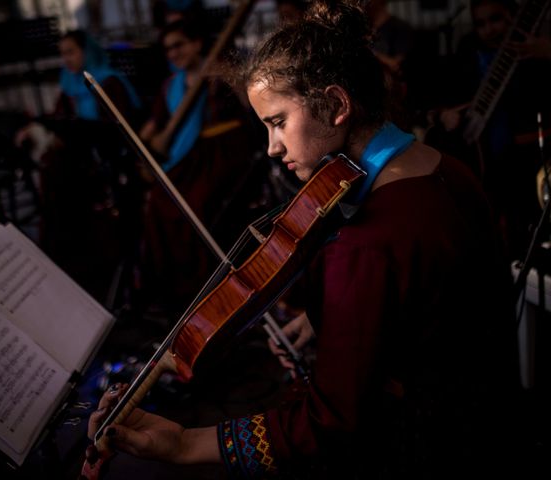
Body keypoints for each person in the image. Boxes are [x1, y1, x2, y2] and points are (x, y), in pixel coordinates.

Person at [85, 1, 524, 478]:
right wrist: (337, 319)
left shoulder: (366, 245)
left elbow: (330, 424)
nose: (272, 148)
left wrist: (184, 443)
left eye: (277, 122)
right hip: (492, 425)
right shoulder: (448, 169)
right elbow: (431, 297)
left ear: (336, 105)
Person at [135, 18, 260, 318]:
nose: (173, 53)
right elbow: (156, 123)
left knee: (199, 203)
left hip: (226, 153)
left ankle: (211, 288)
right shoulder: (171, 85)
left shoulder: (222, 69)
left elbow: (252, 105)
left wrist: (230, 76)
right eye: (168, 49)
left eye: (179, 45)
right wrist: (139, 144)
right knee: (158, 202)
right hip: (190, 157)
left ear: (197, 43)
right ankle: (178, 290)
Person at [15, 30, 145, 304]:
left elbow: (120, 130)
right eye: (62, 53)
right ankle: (68, 260)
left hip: (107, 161)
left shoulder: (110, 82)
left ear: (87, 51)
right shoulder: (69, 84)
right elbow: (60, 119)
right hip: (81, 163)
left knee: (58, 173)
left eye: (71, 51)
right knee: (52, 169)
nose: (67, 59)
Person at [425, 0, 551, 262]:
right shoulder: (467, 51)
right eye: (480, 24)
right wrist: (444, 114)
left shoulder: (536, 46)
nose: (489, 29)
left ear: (513, 16)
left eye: (496, 19)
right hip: (484, 163)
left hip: (531, 159)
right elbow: (437, 103)